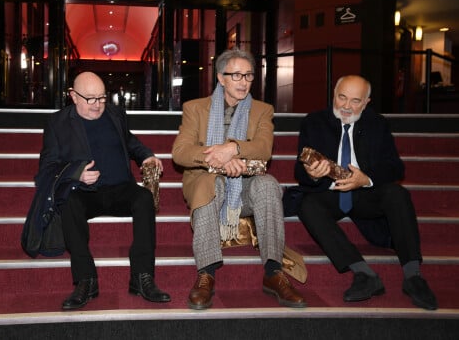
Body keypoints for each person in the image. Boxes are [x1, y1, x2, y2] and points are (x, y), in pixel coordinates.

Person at [172, 48, 307, 310]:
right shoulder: (195, 108)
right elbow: (181, 152)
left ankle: (273, 273)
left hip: (245, 186)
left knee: (269, 185)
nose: (243, 82)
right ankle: (206, 274)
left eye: (248, 76)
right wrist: (219, 159)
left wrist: (232, 148)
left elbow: (263, 149)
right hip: (206, 180)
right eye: (236, 75)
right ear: (221, 78)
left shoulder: (262, 110)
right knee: (209, 183)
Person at [294, 74, 438, 310]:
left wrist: (366, 179)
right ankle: (363, 274)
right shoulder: (314, 122)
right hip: (329, 192)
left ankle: (413, 276)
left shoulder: (377, 123)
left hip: (364, 194)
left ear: (367, 102)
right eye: (342, 98)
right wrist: (312, 173)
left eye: (355, 101)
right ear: (333, 95)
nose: (346, 106)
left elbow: (395, 167)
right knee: (307, 205)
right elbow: (300, 173)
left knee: (397, 194)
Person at [36, 71, 171, 310]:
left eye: (101, 98)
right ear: (73, 96)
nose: (97, 105)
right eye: (90, 99)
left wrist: (146, 156)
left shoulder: (115, 114)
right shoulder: (57, 123)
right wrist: (76, 173)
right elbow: (46, 168)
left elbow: (129, 142)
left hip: (120, 188)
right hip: (85, 193)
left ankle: (142, 278)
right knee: (69, 203)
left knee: (144, 199)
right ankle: (86, 280)